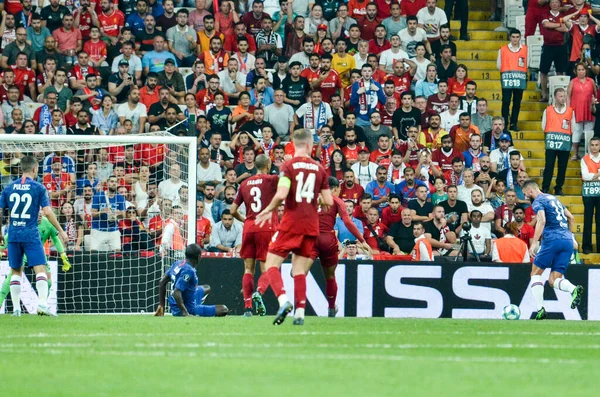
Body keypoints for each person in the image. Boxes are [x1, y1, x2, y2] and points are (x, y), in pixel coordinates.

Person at [255, 128, 333, 326]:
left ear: (293, 143)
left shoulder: (288, 166)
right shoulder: (320, 169)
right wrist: (312, 199)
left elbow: (281, 194)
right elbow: (329, 201)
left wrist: (267, 210)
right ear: (310, 145)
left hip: (291, 223)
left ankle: (283, 300)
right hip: (311, 225)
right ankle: (300, 314)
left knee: (271, 264)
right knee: (299, 270)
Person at [0, 156, 68, 316]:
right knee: (41, 269)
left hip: (14, 233)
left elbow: (0, 211)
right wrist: (60, 230)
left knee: (15, 271)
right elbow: (48, 212)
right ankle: (43, 304)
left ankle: (16, 309)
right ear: (35, 169)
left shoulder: (9, 188)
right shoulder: (38, 187)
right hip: (31, 234)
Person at [522, 179, 584, 320]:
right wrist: (571, 237)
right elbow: (571, 218)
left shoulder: (538, 201)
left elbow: (542, 220)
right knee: (553, 280)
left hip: (552, 240)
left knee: (535, 274)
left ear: (531, 191)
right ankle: (573, 289)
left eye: (526, 194)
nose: (527, 197)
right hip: (567, 241)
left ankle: (540, 309)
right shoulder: (553, 199)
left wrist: (534, 243)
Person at [229, 154, 278, 316]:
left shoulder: (244, 184)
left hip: (249, 228)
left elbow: (232, 211)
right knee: (268, 268)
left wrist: (245, 220)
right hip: (267, 227)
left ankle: (248, 307)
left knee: (248, 269)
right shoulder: (272, 180)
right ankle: (259, 291)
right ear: (268, 165)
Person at [154, 243, 229, 317]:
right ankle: (196, 310)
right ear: (199, 257)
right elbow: (176, 293)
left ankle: (195, 302)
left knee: (207, 287)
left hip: (178, 301)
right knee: (223, 309)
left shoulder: (178, 263)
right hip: (188, 308)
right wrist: (185, 313)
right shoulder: (189, 271)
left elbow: (162, 282)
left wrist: (161, 305)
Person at [541, 88, 577, 196]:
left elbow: (573, 127)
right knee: (549, 166)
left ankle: (558, 188)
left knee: (562, 167)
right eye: (560, 96)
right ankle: (545, 187)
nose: (563, 98)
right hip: (551, 143)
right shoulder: (548, 110)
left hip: (564, 143)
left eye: (564, 96)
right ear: (555, 97)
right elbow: (544, 126)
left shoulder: (571, 111)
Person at [498, 29, 527, 132]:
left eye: (517, 37)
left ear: (520, 38)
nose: (515, 39)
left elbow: (527, 63)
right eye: (513, 37)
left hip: (520, 79)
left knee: (517, 102)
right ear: (510, 37)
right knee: (505, 102)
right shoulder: (502, 49)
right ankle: (504, 124)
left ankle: (514, 123)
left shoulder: (525, 49)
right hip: (507, 79)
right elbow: (499, 65)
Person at [567, 62, 596, 159]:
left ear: (586, 71)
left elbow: (595, 95)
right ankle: (575, 153)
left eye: (583, 69)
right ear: (576, 71)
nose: (581, 72)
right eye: (579, 70)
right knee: (577, 131)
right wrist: (568, 109)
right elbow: (568, 96)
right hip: (576, 110)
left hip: (589, 110)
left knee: (589, 132)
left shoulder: (591, 81)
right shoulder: (573, 82)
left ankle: (589, 154)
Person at [581, 137, 600, 254]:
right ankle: (586, 247)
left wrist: (592, 176)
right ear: (589, 146)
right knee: (587, 220)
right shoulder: (584, 159)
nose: (594, 147)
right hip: (588, 193)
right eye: (592, 145)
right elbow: (585, 176)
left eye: (596, 145)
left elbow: (589, 176)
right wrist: (598, 175)